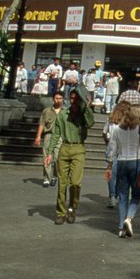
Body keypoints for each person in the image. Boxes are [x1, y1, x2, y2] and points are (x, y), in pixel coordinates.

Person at [105, 91, 140, 237]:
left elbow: (112, 148)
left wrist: (110, 164)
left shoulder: (118, 129)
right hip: (137, 162)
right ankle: (128, 218)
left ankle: (120, 227)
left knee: (123, 195)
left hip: (122, 161)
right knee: (137, 194)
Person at [47, 87, 94, 224]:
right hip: (64, 148)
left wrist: (86, 108)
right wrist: (49, 152)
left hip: (78, 148)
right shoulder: (62, 114)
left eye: (76, 99)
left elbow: (91, 123)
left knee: (75, 183)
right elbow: (56, 133)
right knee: (62, 184)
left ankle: (72, 208)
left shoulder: (83, 114)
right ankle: (60, 212)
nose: (73, 101)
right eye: (71, 98)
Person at [34, 91, 64, 187]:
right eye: (56, 98)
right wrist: (38, 136)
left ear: (62, 99)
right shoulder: (47, 111)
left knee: (57, 158)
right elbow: (42, 124)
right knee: (47, 156)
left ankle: (55, 176)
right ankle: (46, 178)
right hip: (49, 135)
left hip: (60, 137)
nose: (58, 100)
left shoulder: (65, 111)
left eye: (60, 98)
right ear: (53, 99)